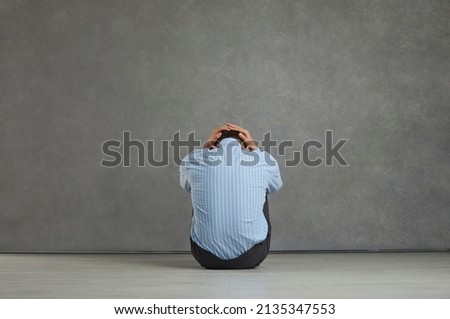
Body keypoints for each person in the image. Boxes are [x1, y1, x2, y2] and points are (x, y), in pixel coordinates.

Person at [180, 123, 283, 269]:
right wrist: (257, 151)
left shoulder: (192, 159)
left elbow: (186, 186)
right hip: (252, 257)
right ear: (244, 145)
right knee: (263, 188)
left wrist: (205, 149)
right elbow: (275, 186)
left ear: (215, 144)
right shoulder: (264, 160)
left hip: (204, 256)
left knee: (198, 186)